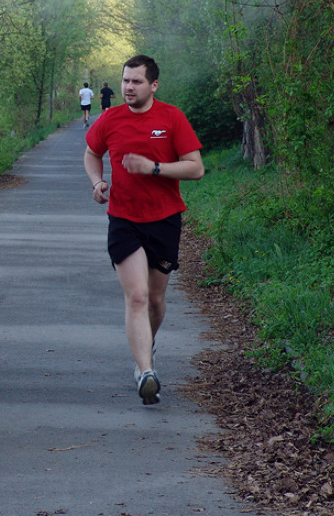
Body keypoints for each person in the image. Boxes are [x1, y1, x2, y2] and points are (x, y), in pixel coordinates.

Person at [83, 55, 204, 405]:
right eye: (125, 80)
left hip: (164, 219)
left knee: (154, 299)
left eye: (136, 81)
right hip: (124, 219)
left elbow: (196, 168)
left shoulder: (171, 118)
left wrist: (153, 168)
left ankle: (145, 348)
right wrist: (97, 181)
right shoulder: (110, 119)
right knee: (136, 295)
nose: (128, 87)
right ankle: (146, 371)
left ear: (153, 85)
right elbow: (91, 153)